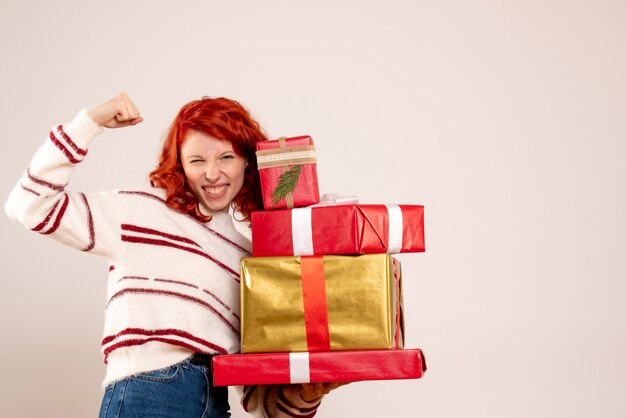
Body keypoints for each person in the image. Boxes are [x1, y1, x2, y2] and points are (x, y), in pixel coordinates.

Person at [5, 92, 340, 418]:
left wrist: (307, 395)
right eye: (197, 160)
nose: (211, 174)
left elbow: (258, 398)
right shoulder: (139, 211)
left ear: (247, 163)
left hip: (215, 400)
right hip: (150, 394)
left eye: (226, 157)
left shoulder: (252, 254)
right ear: (178, 163)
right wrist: (89, 123)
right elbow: (29, 206)